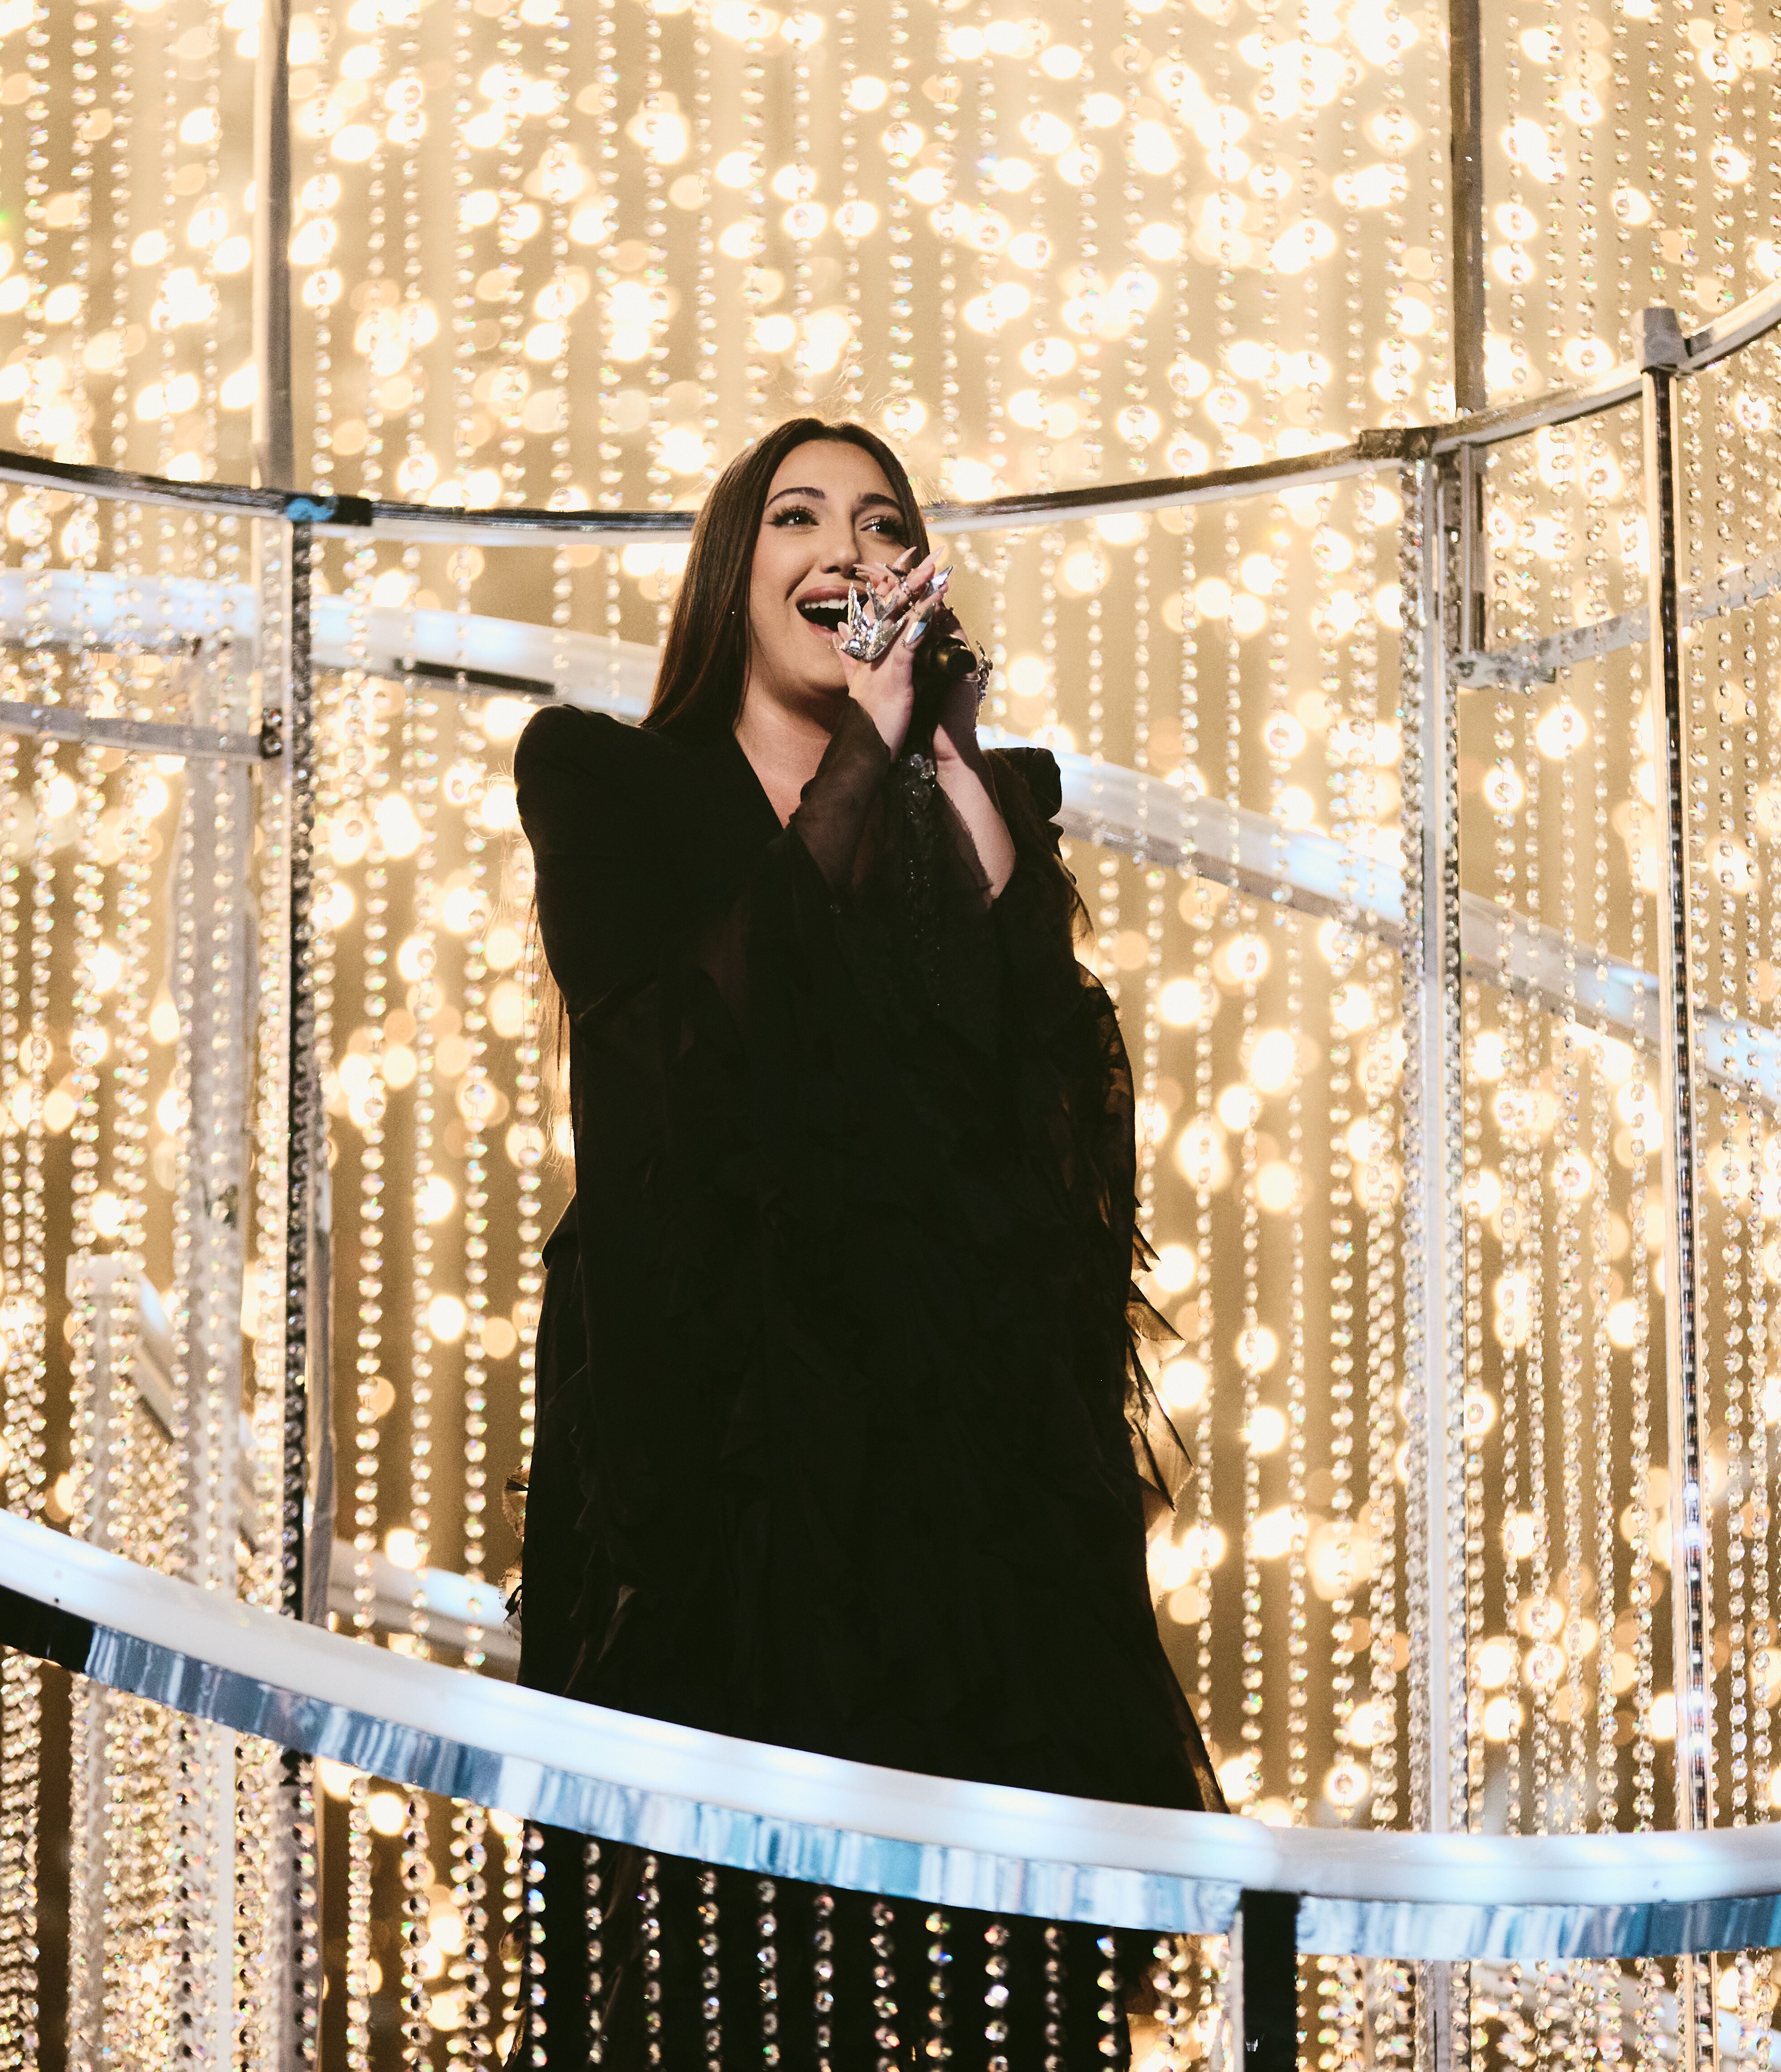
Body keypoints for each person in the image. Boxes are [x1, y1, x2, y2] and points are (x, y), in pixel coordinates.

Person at [508, 417, 1222, 2068]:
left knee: (983, 1984)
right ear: (731, 567)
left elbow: (1044, 1080)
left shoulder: (967, 802)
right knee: (720, 1977)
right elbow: (685, 1062)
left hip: (948, 1479)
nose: (841, 547)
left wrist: (943, 752)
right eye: (798, 515)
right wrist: (855, 775)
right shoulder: (607, 782)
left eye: (879, 522)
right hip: (715, 1462)